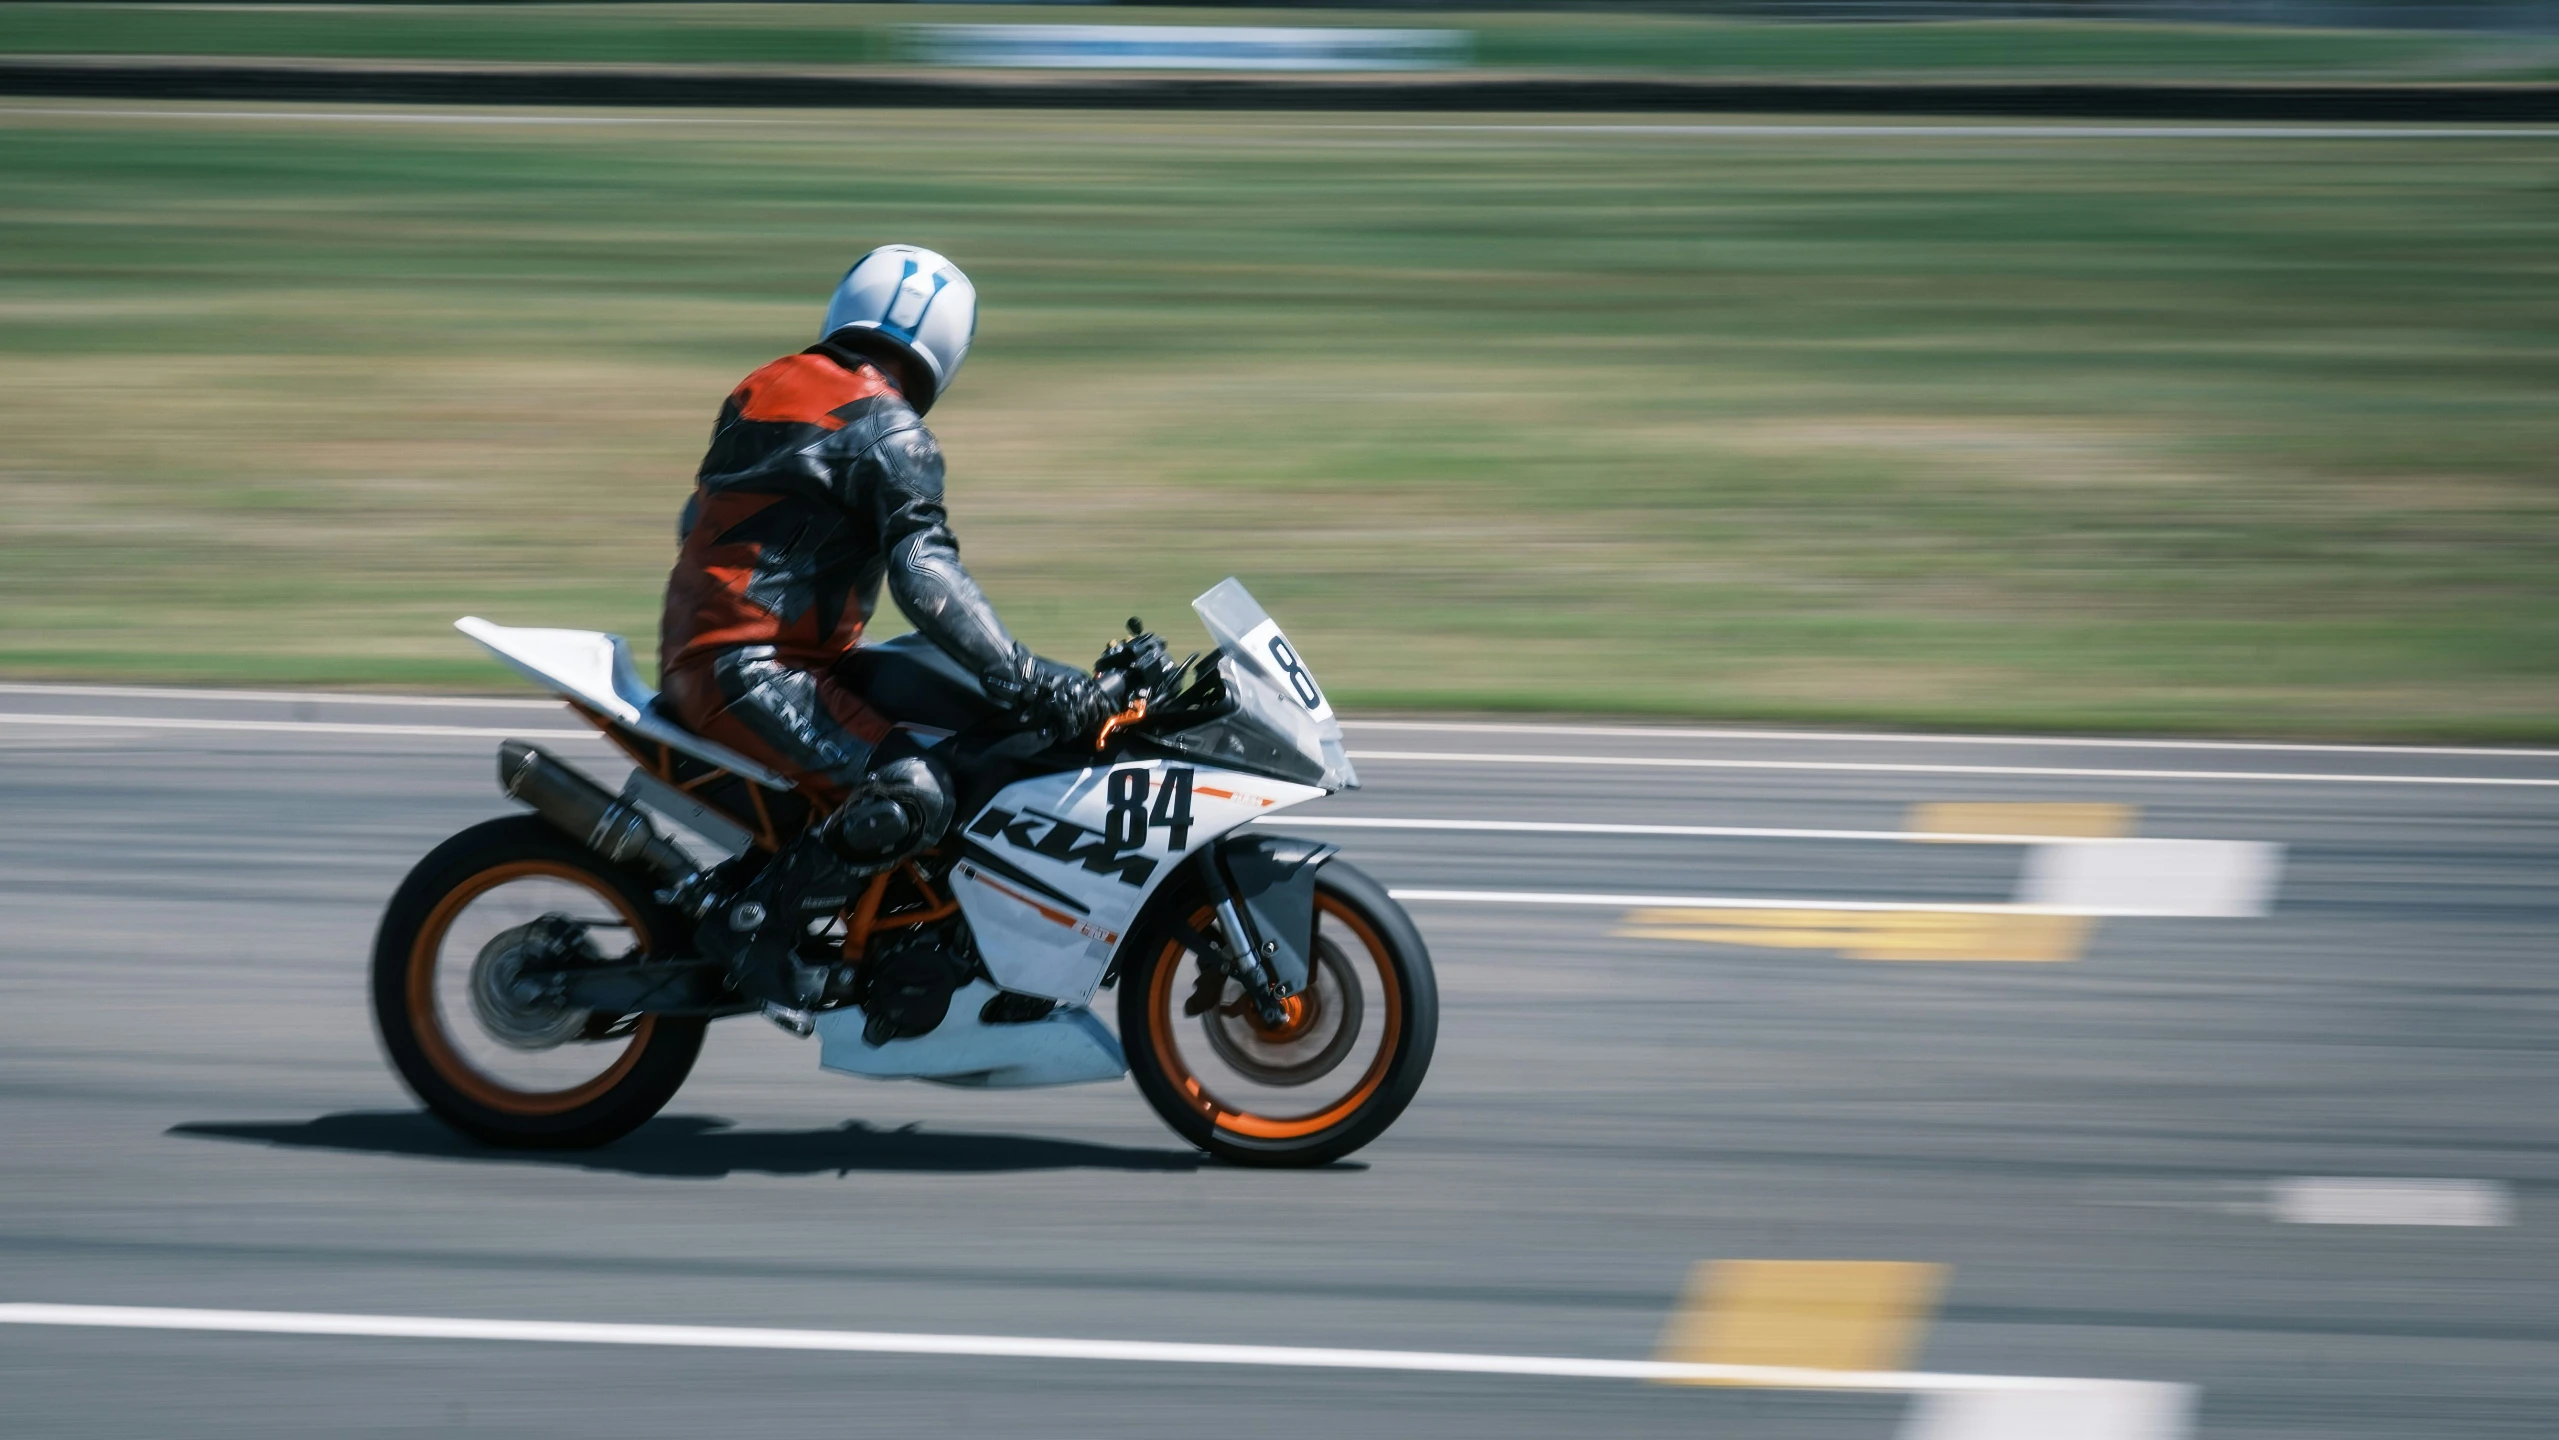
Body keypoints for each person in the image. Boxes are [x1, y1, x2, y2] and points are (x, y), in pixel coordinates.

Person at [658, 244, 1115, 1009]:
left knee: (955, 708)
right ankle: (759, 932)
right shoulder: (889, 428)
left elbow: (696, 520)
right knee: (913, 788)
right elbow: (923, 573)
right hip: (750, 669)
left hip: (745, 655)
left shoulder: (763, 387)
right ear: (946, 345)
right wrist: (1026, 673)